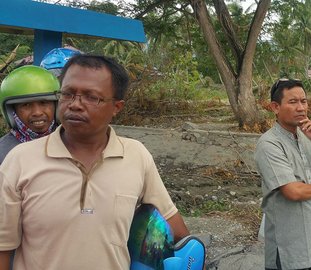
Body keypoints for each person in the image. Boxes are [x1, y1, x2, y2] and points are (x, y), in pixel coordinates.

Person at [0, 55, 190, 269]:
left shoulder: (136, 156)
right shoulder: (20, 160)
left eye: (91, 97)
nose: (75, 105)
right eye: (68, 94)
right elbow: (3, 249)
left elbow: (177, 233)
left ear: (117, 107)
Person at [254, 78, 311, 270]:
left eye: (304, 101)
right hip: (288, 248)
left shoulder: (308, 136)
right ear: (275, 107)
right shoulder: (269, 144)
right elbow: (293, 192)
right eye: (293, 102)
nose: (301, 108)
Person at [0, 65, 60, 164]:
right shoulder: (3, 154)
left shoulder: (73, 143)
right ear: (12, 111)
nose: (37, 112)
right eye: (26, 105)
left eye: (43, 103)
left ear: (56, 105)